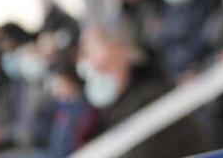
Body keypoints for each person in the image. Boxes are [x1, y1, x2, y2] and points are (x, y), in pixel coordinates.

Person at [81, 21, 208, 157]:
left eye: (105, 67)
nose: (99, 76)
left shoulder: (153, 99)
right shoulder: (115, 108)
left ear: (123, 53)